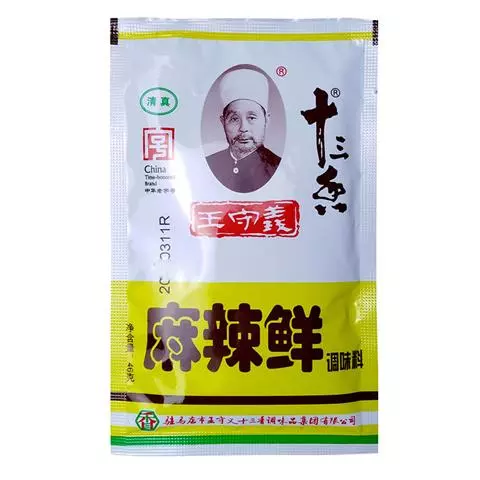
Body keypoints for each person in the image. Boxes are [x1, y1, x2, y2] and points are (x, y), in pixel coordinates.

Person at [206, 68, 281, 193]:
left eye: (251, 118)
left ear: (266, 120)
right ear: (223, 121)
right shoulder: (210, 164)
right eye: (234, 119)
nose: (243, 128)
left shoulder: (278, 166)